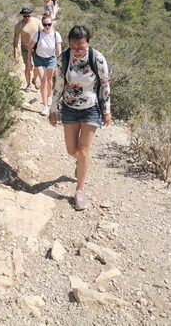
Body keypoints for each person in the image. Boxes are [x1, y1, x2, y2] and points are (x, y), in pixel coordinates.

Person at [49, 25, 111, 211]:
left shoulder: (97, 59)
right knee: (71, 150)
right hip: (69, 108)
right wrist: (53, 109)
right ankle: (80, 162)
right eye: (74, 47)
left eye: (81, 47)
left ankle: (79, 191)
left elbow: (105, 85)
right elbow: (59, 85)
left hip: (91, 109)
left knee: (84, 150)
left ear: (88, 44)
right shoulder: (64, 58)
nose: (77, 51)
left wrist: (106, 110)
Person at [27, 15, 62, 116]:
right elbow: (30, 48)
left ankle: (49, 96)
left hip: (51, 59)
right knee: (43, 80)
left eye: (49, 24)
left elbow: (59, 52)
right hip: (39, 59)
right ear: (42, 24)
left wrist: (57, 65)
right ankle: (45, 106)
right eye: (45, 24)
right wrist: (29, 61)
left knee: (49, 80)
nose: (47, 26)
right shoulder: (38, 34)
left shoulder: (56, 35)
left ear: (52, 24)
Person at [13, 7, 42, 91]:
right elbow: (15, 38)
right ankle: (28, 85)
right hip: (25, 47)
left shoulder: (37, 22)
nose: (27, 18)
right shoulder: (19, 25)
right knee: (27, 67)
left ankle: (35, 79)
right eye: (25, 16)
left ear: (31, 14)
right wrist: (15, 50)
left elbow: (43, 33)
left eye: (28, 15)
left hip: (36, 47)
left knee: (37, 66)